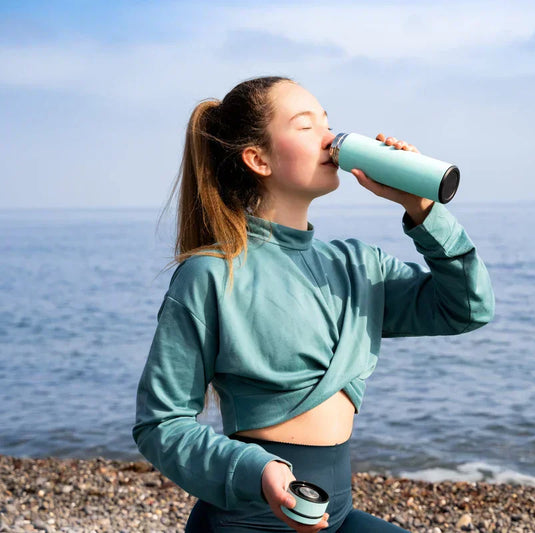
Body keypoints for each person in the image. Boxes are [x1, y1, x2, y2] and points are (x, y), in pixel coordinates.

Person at [132, 76, 495, 532]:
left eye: (328, 122)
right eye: (306, 126)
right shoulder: (211, 274)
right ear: (257, 158)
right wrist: (257, 470)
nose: (330, 138)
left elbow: (467, 306)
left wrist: (423, 209)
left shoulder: (359, 266)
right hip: (247, 521)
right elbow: (161, 424)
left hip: (336, 517)